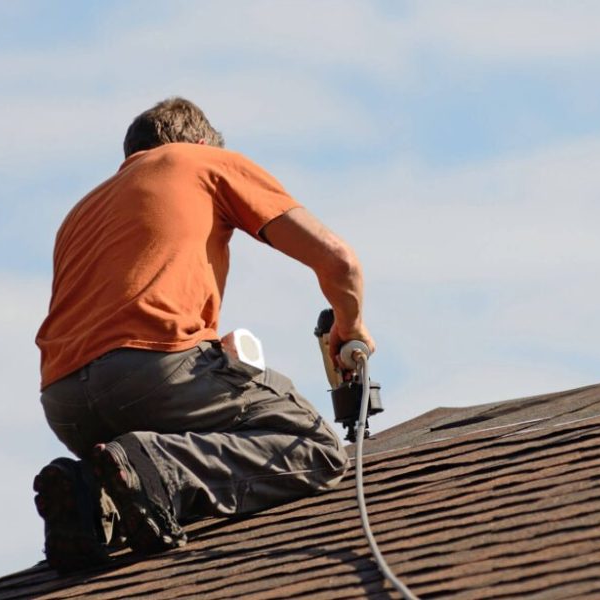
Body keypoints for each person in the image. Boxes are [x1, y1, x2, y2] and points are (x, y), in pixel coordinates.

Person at [32, 97, 375, 571]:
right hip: (153, 372)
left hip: (65, 402)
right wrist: (350, 325)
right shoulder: (201, 162)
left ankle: (91, 497)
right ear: (197, 142)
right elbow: (340, 261)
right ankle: (160, 468)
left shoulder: (81, 212)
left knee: (133, 468)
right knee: (313, 446)